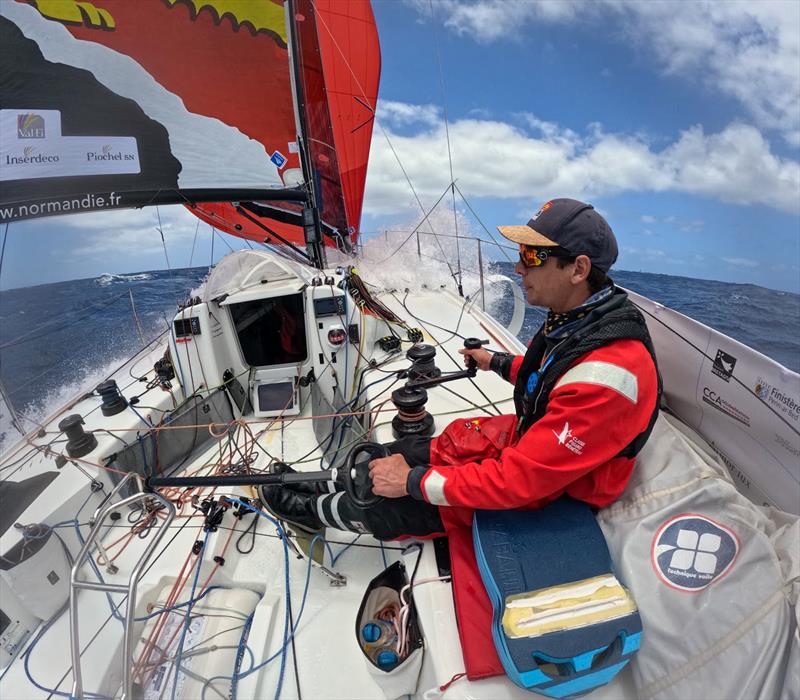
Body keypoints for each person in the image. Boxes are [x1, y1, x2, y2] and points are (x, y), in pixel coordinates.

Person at [261, 198, 661, 539]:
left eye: (532, 256)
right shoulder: (581, 320)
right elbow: (554, 373)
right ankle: (325, 480)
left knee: (399, 506)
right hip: (533, 442)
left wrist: (411, 482)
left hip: (558, 489)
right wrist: (498, 362)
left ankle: (314, 512)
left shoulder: (610, 378)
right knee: (410, 449)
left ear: (578, 269)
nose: (519, 268)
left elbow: (521, 481)